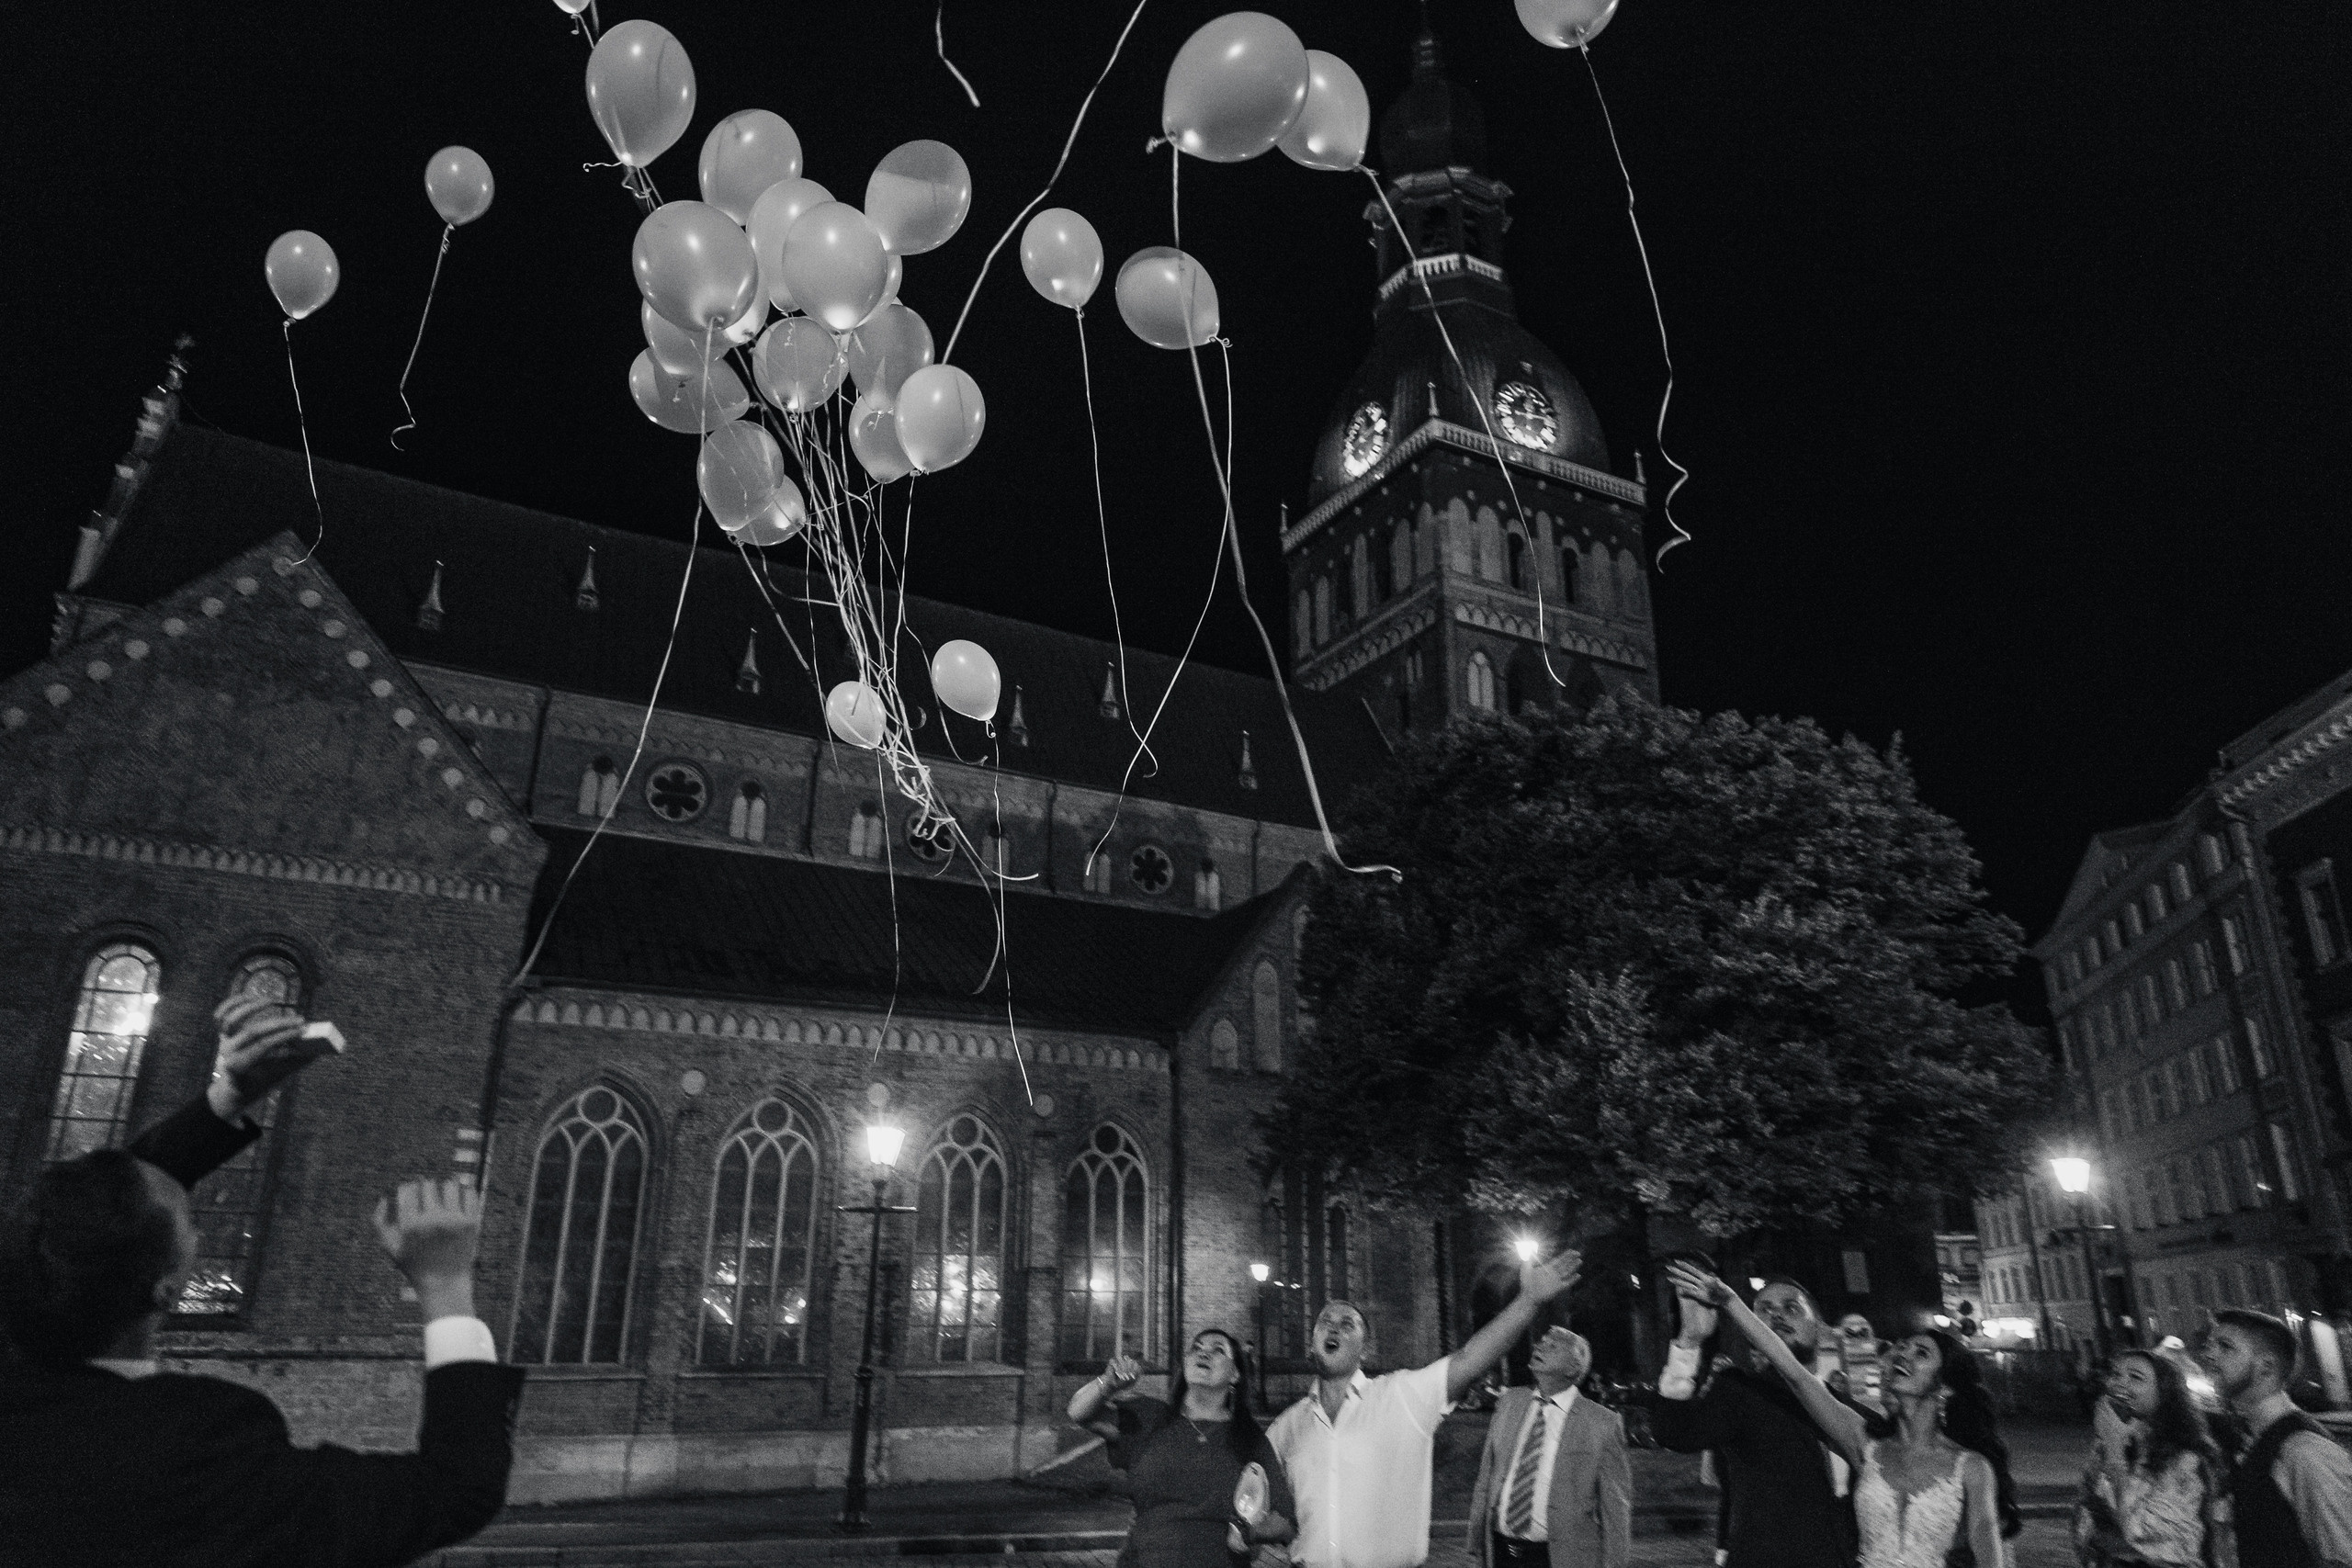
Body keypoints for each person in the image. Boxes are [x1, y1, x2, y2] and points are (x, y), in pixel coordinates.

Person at [0, 994, 526, 1568]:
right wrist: (446, 1285)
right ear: (168, 1290)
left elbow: (101, 1216)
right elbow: (453, 1490)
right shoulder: (198, 1452)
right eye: (191, 1224)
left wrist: (228, 1098)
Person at [1665, 1260, 2021, 1568]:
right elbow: (1794, 1373)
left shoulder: (1970, 1466)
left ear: (1945, 1388)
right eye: (1902, 1348)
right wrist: (1729, 1302)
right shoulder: (1866, 1442)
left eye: (1921, 1354)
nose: (1903, 1355)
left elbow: (1988, 1548)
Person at [1267, 1247, 1580, 1568]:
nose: (1334, 1328)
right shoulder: (1286, 1427)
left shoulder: (1400, 1396)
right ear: (1312, 1340)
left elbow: (1469, 1361)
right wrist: (1256, 1537)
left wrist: (1527, 1302)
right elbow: (1261, 1502)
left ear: (1364, 1351)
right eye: (1325, 1323)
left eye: (1348, 1325)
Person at [1651, 1270, 1862, 1568]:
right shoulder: (1741, 1392)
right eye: (1764, 1309)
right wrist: (1689, 1341)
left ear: (1823, 1328)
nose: (1777, 1316)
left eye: (1791, 1308)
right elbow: (1673, 1431)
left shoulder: (1851, 1411)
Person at [1069, 1329, 1295, 1568]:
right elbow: (1079, 1412)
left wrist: (1250, 1534)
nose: (1204, 1353)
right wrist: (1107, 1385)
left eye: (1218, 1350)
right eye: (1196, 1348)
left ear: (1235, 1374)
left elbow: (1286, 1523)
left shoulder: (1249, 1438)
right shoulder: (1150, 1417)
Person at [1464, 1325, 1631, 1568]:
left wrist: (1615, 1564)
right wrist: (1475, 1546)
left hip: (1562, 1557)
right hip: (1500, 1552)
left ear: (1574, 1367)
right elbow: (1486, 1478)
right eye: (1541, 1342)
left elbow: (1615, 1507)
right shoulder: (1510, 1403)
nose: (1539, 1347)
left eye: (1552, 1346)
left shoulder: (1602, 1422)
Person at [2200, 1308, 2352, 1568]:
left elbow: (2343, 1554)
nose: (2208, 1355)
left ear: (2266, 1367)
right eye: (2210, 1345)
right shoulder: (2254, 1440)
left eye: (2225, 1347)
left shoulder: (2304, 1451)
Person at [2071, 1348, 2222, 1567]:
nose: (2119, 1383)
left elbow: (2144, 1533)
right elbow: (2085, 1514)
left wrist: (2115, 1451)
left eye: (2135, 1377)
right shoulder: (2111, 1448)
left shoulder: (2185, 1457)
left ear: (2165, 1392)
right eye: (2115, 1375)